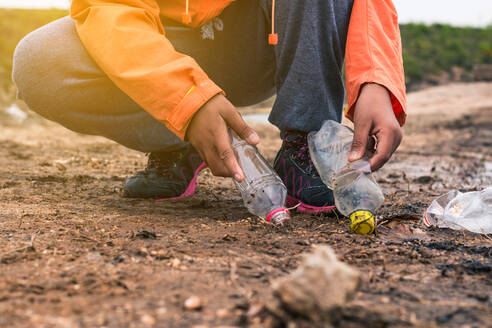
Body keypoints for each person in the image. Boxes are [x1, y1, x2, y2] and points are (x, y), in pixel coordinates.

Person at [12, 0, 405, 213]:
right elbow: (111, 9)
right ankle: (180, 139)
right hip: (169, 42)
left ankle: (305, 141)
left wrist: (375, 78)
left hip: (265, 38)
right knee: (40, 62)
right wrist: (184, 100)